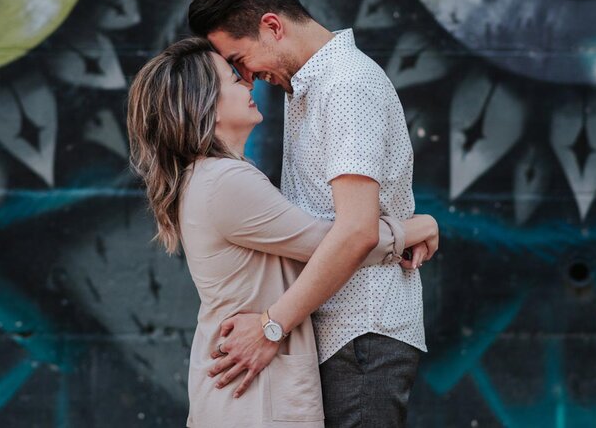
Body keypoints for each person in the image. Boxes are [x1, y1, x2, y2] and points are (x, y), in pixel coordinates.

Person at [126, 37, 439, 427]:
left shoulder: (208, 178)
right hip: (255, 396)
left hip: (247, 390)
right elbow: (337, 241)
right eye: (233, 78)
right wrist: (417, 227)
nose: (249, 83)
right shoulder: (225, 181)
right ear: (203, 104)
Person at [188, 0, 429, 426]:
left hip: (361, 332)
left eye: (240, 61)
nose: (249, 78)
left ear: (272, 27)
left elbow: (356, 230)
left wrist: (270, 326)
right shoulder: (313, 87)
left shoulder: (345, 85)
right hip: (342, 331)